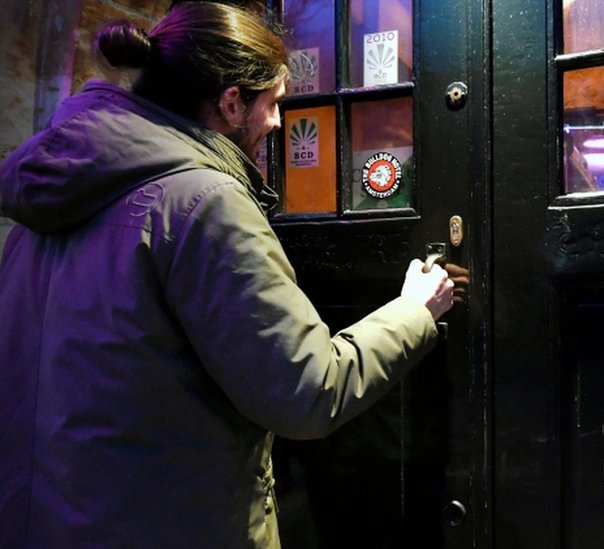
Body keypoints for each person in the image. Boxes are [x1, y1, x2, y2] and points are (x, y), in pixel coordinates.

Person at [0, 3, 454, 548]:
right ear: (232, 102)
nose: (280, 123)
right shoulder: (203, 202)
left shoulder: (47, 199)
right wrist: (414, 309)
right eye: (274, 104)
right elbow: (307, 390)